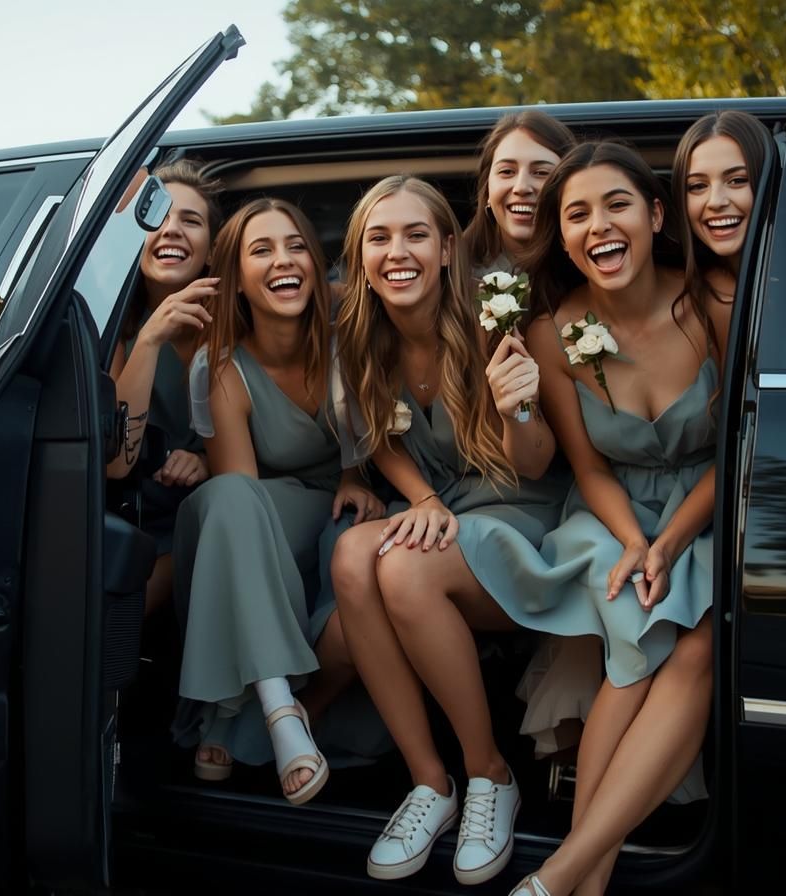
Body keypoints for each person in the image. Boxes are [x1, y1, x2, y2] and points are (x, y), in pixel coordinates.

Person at [505, 132, 762, 896]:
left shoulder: (714, 301)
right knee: (637, 628)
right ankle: (575, 880)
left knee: (694, 648)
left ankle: (563, 877)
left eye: (617, 203)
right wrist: (634, 543)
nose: (598, 226)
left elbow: (735, 449)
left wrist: (672, 540)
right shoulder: (551, 334)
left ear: (655, 213)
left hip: (707, 509)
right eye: (577, 214)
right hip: (611, 516)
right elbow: (585, 466)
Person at [330, 175, 568, 884]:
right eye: (379, 237)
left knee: (400, 565)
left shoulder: (497, 315)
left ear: (445, 249)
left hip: (526, 511)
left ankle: (489, 772)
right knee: (350, 557)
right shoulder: (358, 334)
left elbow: (536, 462)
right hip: (452, 506)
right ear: (361, 256)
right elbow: (380, 437)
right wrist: (423, 497)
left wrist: (516, 405)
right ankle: (430, 784)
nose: (396, 251)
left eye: (415, 234)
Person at [171, 197, 386, 805]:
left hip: (356, 499)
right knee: (229, 497)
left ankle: (226, 719)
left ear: (317, 266)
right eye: (261, 250)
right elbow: (244, 490)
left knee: (287, 522)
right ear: (235, 279)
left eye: (295, 246)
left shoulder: (352, 327)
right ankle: (277, 706)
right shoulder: (221, 370)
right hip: (266, 511)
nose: (283, 261)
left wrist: (354, 473)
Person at [106, 159, 223, 617]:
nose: (171, 230)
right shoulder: (117, 331)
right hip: (135, 521)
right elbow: (117, 463)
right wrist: (151, 338)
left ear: (212, 248)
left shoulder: (240, 327)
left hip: (212, 517)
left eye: (190, 220)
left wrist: (209, 461)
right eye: (157, 217)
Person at [463, 110, 577, 278]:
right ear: (487, 189)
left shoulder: (594, 271)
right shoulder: (452, 274)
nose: (521, 187)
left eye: (541, 173)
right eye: (507, 171)